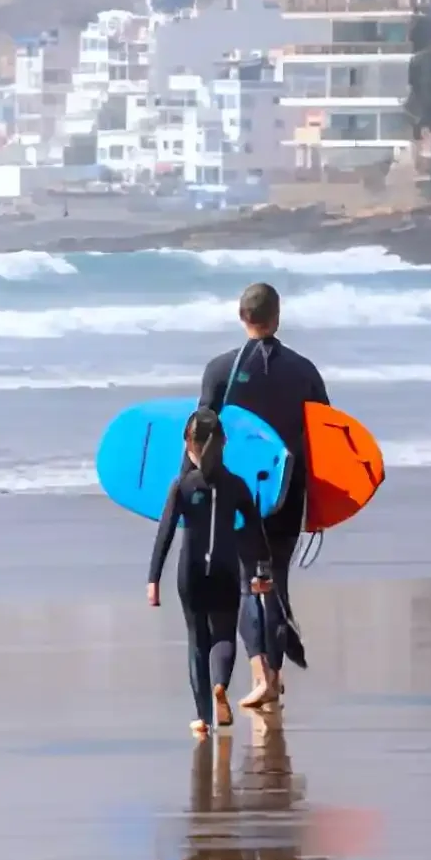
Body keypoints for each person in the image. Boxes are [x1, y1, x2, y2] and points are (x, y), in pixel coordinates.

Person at [198, 282, 328, 708]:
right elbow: (327, 438)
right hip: (290, 492)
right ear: (278, 316)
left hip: (240, 496)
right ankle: (274, 674)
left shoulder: (220, 370)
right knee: (276, 581)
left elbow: (201, 437)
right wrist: (321, 503)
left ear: (241, 317)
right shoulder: (304, 370)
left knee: (248, 584)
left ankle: (264, 677)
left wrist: (189, 495)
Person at [147, 409, 273, 738]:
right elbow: (256, 529)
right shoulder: (236, 486)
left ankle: (203, 717)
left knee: (197, 642)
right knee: (223, 636)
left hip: (190, 574)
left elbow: (165, 532)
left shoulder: (182, 486)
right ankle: (220, 687)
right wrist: (262, 569)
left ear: (188, 444)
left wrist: (153, 579)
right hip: (226, 570)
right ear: (224, 443)